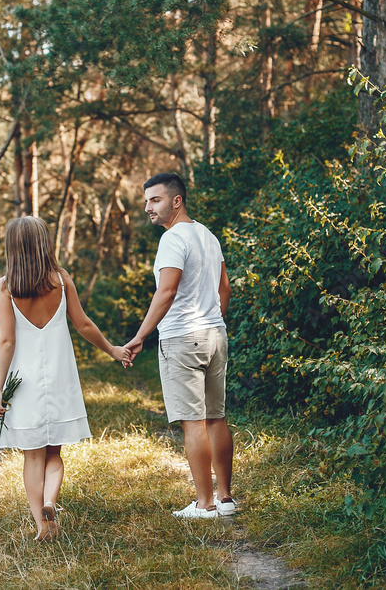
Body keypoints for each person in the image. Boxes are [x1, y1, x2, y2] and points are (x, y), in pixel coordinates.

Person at [0, 216, 132, 542]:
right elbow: (83, 324)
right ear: (44, 243)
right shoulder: (62, 280)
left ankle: (41, 523)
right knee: (54, 452)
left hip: (21, 380)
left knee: (33, 455)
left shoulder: (5, 286)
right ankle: (51, 501)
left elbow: (7, 342)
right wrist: (112, 350)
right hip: (59, 373)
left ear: (12, 248)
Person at [124, 173, 235, 519]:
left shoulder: (173, 239)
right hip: (215, 334)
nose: (147, 208)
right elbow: (225, 290)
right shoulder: (208, 236)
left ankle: (204, 505)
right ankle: (226, 499)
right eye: (146, 202)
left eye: (154, 200)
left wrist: (140, 335)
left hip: (183, 338)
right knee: (216, 418)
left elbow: (166, 291)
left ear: (177, 200)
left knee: (194, 422)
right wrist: (212, 319)